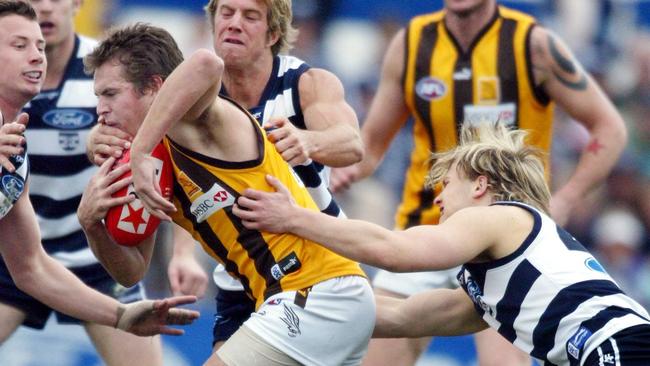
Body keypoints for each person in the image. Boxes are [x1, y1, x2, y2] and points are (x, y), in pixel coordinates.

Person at [329, 0, 628, 364]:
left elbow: (609, 128)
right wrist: (342, 170)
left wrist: (566, 199)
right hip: (425, 229)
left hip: (506, 244)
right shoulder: (412, 43)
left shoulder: (531, 45)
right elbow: (371, 146)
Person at [77, 23, 374, 366]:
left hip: (315, 290)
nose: (99, 110)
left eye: (110, 94)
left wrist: (141, 150)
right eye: (98, 96)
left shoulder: (196, 122)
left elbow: (206, 63)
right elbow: (131, 272)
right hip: (297, 300)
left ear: (156, 86)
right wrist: (90, 223)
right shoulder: (145, 164)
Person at [233, 122, 650, 366]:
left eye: (447, 184)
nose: (437, 198)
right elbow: (399, 318)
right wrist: (282, 301)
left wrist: (294, 218)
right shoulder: (495, 286)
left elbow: (394, 252)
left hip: (613, 346)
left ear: (481, 186)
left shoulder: (500, 216)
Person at [0, 1, 205, 363]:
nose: (45, 8)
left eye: (36, 46)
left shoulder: (108, 67)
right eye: (20, 45)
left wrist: (182, 256)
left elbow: (176, 157)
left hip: (87, 258)